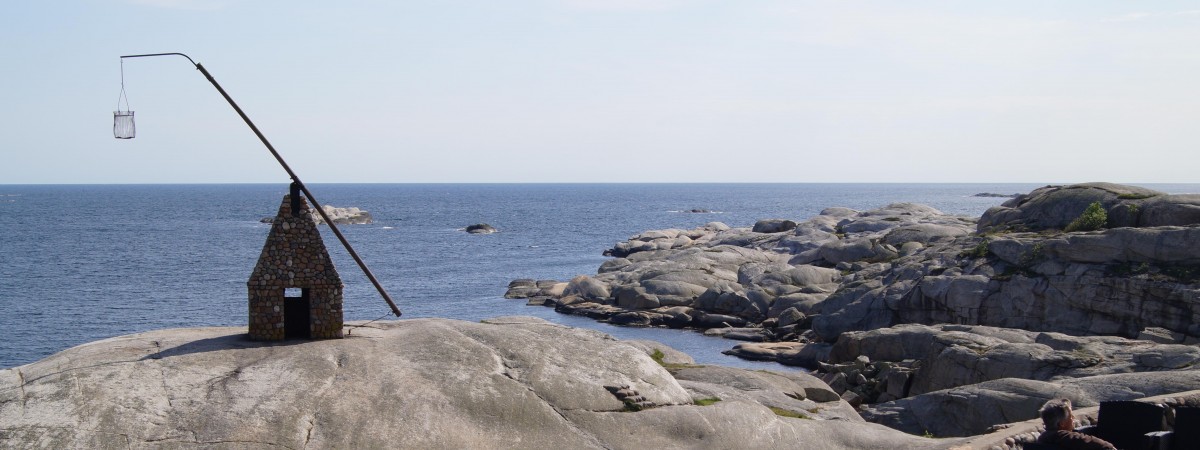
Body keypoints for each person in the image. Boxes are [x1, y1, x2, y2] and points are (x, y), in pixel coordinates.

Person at [1037, 398, 1117, 450]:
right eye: (1071, 416)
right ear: (1062, 423)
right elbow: (1086, 441)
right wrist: (1110, 447)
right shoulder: (1061, 436)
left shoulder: (1043, 438)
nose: (1073, 418)